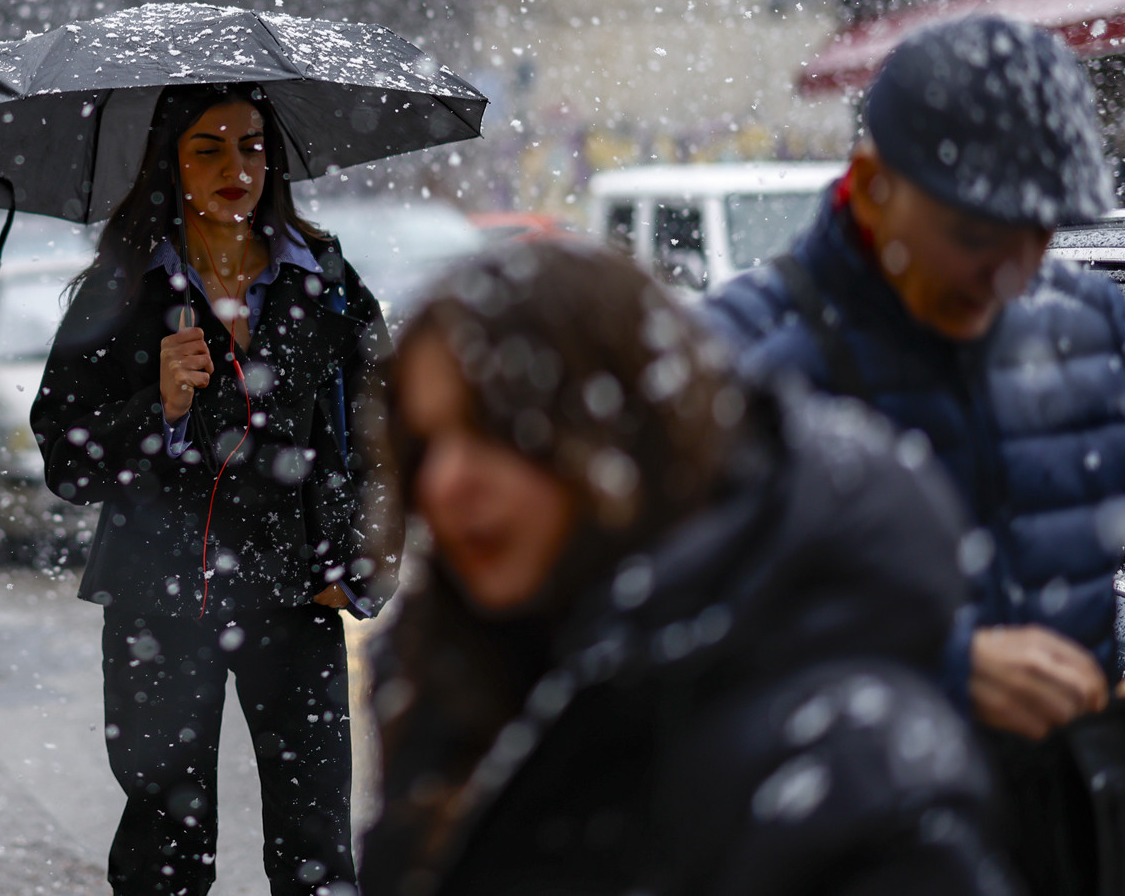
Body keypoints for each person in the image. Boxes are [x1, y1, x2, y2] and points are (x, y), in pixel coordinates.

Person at [359, 240, 1020, 896]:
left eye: (495, 429)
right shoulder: (449, 681)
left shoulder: (846, 766)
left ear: (623, 430)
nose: (446, 482)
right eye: (425, 443)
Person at [706, 15, 1125, 893]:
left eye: (1040, 234)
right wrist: (943, 668)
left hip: (1082, 819)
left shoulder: (1092, 328)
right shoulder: (738, 362)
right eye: (976, 236)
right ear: (869, 184)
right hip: (857, 833)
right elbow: (685, 640)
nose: (1013, 273)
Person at [30, 84, 394, 896]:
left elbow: (388, 430)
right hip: (157, 602)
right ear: (171, 164)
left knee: (316, 846)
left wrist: (366, 561)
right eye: (209, 148)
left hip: (295, 598)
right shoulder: (124, 290)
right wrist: (153, 408)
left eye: (252, 145)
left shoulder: (322, 280)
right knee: (165, 846)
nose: (237, 166)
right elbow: (67, 458)